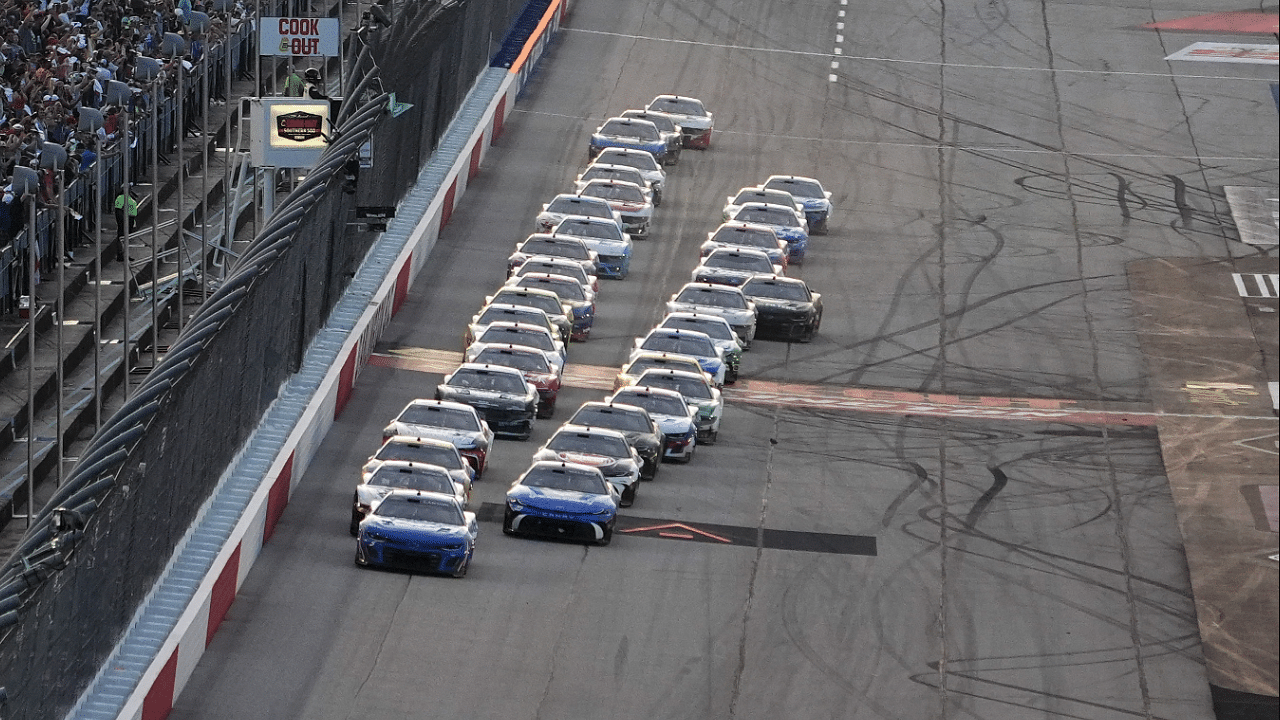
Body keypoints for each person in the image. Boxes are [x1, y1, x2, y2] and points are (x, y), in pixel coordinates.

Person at [112, 182, 138, 257]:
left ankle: (126, 254)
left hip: (130, 219)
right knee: (121, 238)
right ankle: (120, 254)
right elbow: (118, 211)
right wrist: (123, 221)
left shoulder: (129, 197)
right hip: (124, 220)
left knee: (127, 238)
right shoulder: (120, 198)